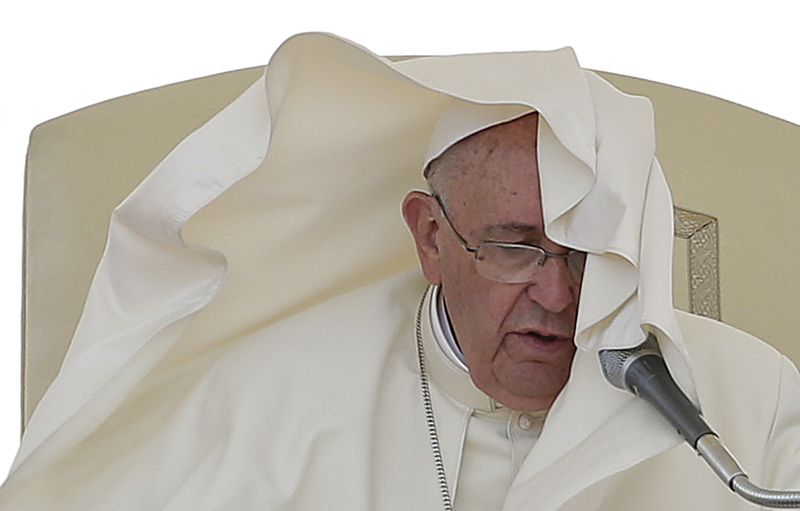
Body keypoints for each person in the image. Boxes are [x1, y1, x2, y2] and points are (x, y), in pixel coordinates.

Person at [1, 32, 798, 510]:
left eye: (592, 254)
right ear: (429, 236)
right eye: (515, 247)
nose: (557, 297)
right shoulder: (264, 399)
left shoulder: (751, 402)